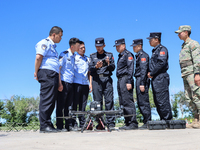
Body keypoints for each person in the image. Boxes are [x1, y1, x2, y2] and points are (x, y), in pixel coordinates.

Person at [34, 26, 63, 133]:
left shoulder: (53, 47)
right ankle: (44, 125)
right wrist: (36, 72)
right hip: (47, 73)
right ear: (54, 34)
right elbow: (38, 57)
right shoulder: (44, 43)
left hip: (53, 74)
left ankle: (48, 124)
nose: (61, 38)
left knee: (51, 100)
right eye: (60, 36)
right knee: (47, 99)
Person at [175, 25, 200, 128]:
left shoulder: (193, 44)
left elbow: (197, 59)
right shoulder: (183, 45)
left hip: (192, 73)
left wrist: (197, 74)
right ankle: (196, 119)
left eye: (180, 33)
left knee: (197, 95)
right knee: (189, 97)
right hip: (185, 74)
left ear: (186, 32)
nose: (178, 35)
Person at [89, 37, 115, 130]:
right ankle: (100, 123)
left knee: (109, 101)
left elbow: (113, 68)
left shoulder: (109, 55)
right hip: (97, 80)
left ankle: (110, 122)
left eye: (100, 46)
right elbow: (90, 70)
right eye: (97, 46)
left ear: (104, 45)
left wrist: (108, 64)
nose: (98, 48)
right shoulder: (92, 56)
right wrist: (96, 67)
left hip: (107, 79)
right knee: (97, 102)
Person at [56, 38, 81, 132]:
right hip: (63, 82)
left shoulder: (74, 56)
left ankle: (68, 125)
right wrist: (59, 83)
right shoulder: (64, 54)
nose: (79, 47)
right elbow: (58, 68)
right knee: (60, 105)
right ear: (72, 46)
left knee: (69, 106)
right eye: (78, 46)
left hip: (71, 83)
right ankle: (59, 126)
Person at [147, 32, 172, 121]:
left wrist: (152, 73)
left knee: (162, 100)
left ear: (157, 40)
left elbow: (161, 63)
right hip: (156, 78)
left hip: (161, 77)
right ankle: (163, 119)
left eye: (151, 39)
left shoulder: (162, 49)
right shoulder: (155, 51)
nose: (149, 41)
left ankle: (167, 120)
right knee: (157, 100)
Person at [114, 38, 138, 130]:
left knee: (128, 100)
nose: (117, 48)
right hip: (120, 80)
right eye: (116, 46)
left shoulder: (128, 55)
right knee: (123, 101)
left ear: (123, 46)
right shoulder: (121, 56)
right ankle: (127, 122)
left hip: (125, 79)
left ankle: (133, 122)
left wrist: (128, 81)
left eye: (118, 46)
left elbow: (130, 69)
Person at [131, 39, 151, 129]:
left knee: (143, 101)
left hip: (141, 80)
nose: (133, 48)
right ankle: (146, 121)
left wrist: (142, 83)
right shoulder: (139, 56)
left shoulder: (143, 56)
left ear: (140, 46)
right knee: (140, 101)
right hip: (139, 79)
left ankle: (148, 122)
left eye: (135, 46)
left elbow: (143, 71)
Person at [73, 41, 92, 129]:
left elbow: (89, 73)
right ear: (77, 49)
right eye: (81, 48)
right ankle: (73, 123)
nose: (83, 49)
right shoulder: (74, 57)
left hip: (85, 84)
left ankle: (82, 123)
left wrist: (90, 83)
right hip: (76, 83)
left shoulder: (87, 59)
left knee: (83, 105)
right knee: (74, 103)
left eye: (84, 47)